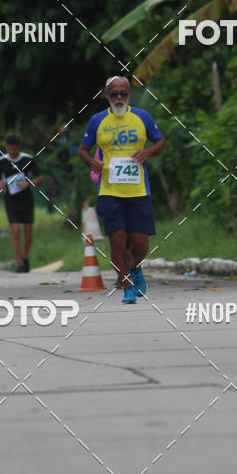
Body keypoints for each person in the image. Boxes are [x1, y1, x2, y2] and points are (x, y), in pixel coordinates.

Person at [78, 75, 167, 304]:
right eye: (114, 94)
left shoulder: (142, 117)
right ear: (106, 95)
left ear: (129, 94)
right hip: (109, 191)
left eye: (123, 93)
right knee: (117, 239)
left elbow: (161, 142)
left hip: (138, 190)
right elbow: (83, 150)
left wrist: (148, 152)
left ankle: (135, 267)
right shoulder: (97, 120)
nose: (119, 98)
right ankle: (126, 285)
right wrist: (91, 162)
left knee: (140, 243)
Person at [0, 135, 43, 272]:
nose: (11, 152)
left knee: (28, 231)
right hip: (10, 199)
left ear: (19, 146)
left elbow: (40, 178)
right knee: (15, 230)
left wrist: (28, 183)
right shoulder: (1, 161)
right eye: (9, 149)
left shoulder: (27, 159)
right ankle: (19, 262)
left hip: (26, 198)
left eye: (14, 149)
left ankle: (25, 257)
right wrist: (1, 185)